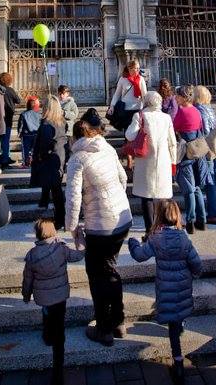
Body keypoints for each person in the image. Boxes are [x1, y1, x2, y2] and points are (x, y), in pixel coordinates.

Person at [65, 109, 132, 346]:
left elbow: (73, 198)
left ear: (75, 137)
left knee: (96, 275)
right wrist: (113, 202)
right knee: (110, 269)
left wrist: (72, 227)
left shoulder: (77, 159)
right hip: (122, 219)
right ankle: (119, 320)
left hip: (101, 225)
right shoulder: (107, 148)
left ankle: (104, 327)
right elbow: (123, 179)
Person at [128, 200, 203, 383]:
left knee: (172, 324)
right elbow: (197, 263)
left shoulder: (156, 238)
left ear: (158, 216)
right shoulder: (184, 238)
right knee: (179, 313)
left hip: (165, 286)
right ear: (178, 215)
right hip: (183, 284)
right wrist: (195, 274)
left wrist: (133, 243)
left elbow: (139, 256)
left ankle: (178, 362)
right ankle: (181, 325)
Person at [22, 218, 85, 385]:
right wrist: (80, 238)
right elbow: (78, 255)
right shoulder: (61, 249)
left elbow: (27, 279)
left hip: (44, 298)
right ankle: (58, 369)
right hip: (60, 296)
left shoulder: (32, 255)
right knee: (59, 323)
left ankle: (47, 334)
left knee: (47, 313)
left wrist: (26, 295)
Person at [126, 91, 176, 233]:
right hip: (163, 159)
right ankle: (162, 228)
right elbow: (172, 142)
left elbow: (129, 136)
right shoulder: (166, 118)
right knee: (161, 197)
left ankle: (150, 231)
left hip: (145, 160)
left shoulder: (140, 116)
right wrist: (173, 161)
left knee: (146, 197)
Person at [171, 86, 208, 233]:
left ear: (184, 97)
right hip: (198, 152)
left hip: (186, 152)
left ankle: (190, 220)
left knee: (188, 190)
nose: (175, 98)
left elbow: (175, 127)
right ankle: (202, 219)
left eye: (178, 96)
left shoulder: (182, 111)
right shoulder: (196, 111)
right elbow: (200, 127)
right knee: (197, 188)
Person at [31, 98, 68, 227]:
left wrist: (40, 155)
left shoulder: (47, 124)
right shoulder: (61, 122)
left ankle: (60, 219)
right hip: (60, 156)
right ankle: (47, 205)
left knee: (56, 190)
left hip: (50, 158)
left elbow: (45, 144)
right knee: (55, 187)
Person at [195, 85, 216, 224]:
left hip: (206, 147)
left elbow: (204, 130)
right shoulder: (209, 108)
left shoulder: (198, 109)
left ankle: (213, 213)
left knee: (209, 181)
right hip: (214, 146)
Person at [107, 60, 147, 132]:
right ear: (130, 68)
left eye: (138, 68)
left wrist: (146, 107)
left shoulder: (141, 79)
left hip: (138, 109)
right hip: (126, 109)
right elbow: (117, 94)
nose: (138, 70)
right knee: (127, 130)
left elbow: (144, 95)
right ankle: (127, 143)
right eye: (136, 68)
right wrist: (112, 105)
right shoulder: (123, 79)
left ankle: (135, 143)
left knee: (136, 131)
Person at [0, 72, 21, 169]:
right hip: (8, 118)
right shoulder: (10, 90)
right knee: (5, 140)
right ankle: (5, 158)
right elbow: (18, 100)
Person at [18, 96, 42, 168]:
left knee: (25, 150)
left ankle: (25, 163)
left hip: (26, 134)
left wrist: (19, 132)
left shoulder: (23, 114)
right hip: (36, 134)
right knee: (35, 149)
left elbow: (20, 125)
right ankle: (35, 161)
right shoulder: (39, 114)